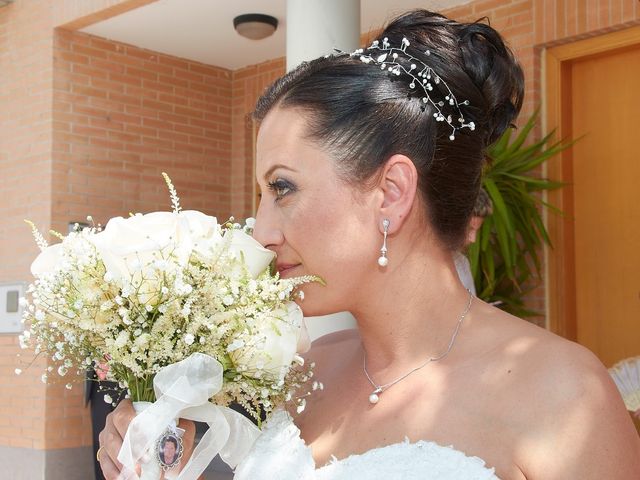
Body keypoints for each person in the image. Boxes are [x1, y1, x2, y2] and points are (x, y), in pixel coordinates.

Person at [98, 10, 640, 479]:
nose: (260, 232)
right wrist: (170, 457)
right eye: (261, 195)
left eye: (282, 188)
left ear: (391, 192)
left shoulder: (565, 395)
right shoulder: (303, 373)